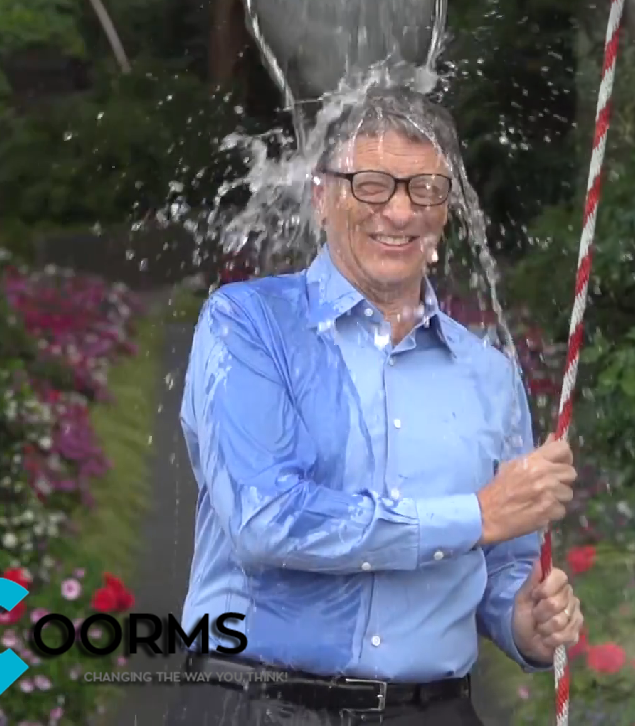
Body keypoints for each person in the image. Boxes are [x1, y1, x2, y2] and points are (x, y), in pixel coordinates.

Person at [169, 87, 583, 725]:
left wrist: (521, 620)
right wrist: (473, 515)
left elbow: (505, 558)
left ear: (448, 210)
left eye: (425, 190)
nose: (398, 211)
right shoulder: (247, 326)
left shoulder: (488, 375)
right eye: (370, 185)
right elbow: (267, 518)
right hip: (262, 706)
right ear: (321, 196)